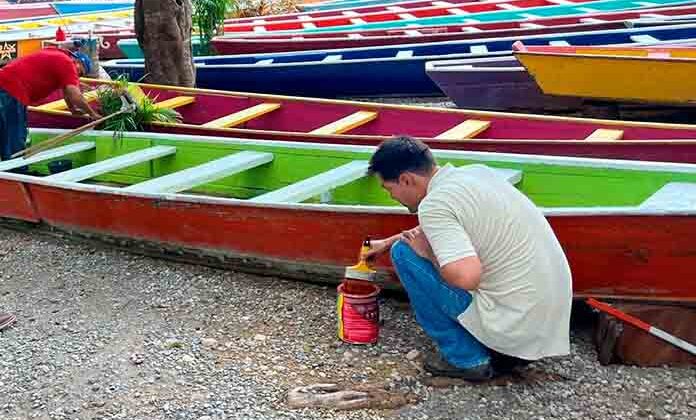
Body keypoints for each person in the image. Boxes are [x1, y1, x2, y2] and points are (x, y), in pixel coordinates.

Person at [366, 136, 572, 381]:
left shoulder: (434, 204)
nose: (392, 197)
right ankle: (498, 349)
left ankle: (467, 359)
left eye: (389, 189)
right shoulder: (476, 174)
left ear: (406, 179)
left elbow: (467, 278)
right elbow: (450, 223)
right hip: (543, 325)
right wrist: (386, 241)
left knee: (403, 254)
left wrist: (428, 254)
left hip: (514, 329)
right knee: (402, 246)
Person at [0, 48, 101, 161]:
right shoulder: (68, 63)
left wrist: (72, 109)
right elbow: (75, 94)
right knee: (15, 134)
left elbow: (66, 92)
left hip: (4, 83)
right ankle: (16, 168)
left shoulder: (58, 56)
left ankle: (6, 166)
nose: (78, 76)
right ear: (77, 62)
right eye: (80, 72)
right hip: (13, 90)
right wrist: (92, 114)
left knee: (4, 133)